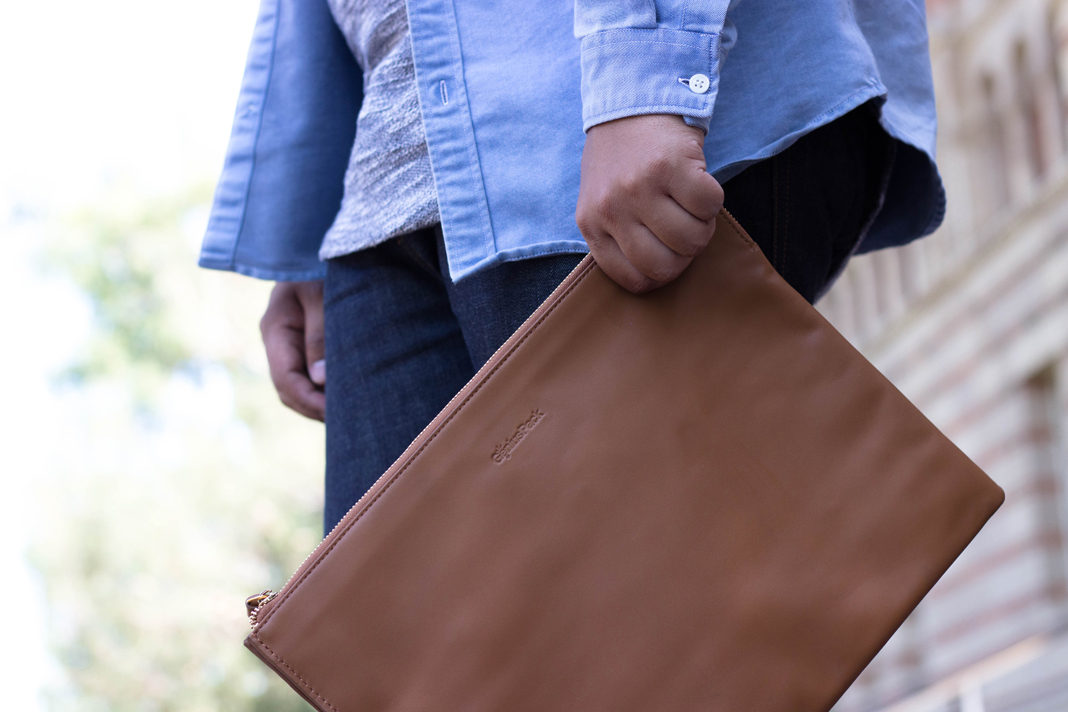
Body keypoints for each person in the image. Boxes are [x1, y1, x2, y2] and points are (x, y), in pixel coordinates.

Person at [201, 0, 944, 533]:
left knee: (645, 636)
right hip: (383, 184)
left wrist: (644, 69)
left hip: (599, 106)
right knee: (397, 658)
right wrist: (300, 229)